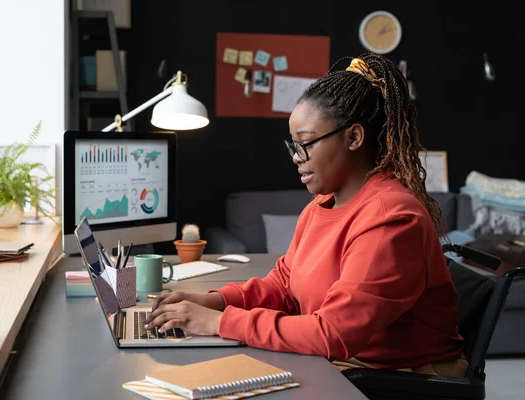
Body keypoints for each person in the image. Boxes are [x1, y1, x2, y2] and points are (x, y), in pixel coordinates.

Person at [145, 53, 467, 375]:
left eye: (306, 143)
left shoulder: (391, 219)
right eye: (293, 146)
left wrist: (219, 322)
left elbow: (333, 333)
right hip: (340, 362)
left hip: (395, 379)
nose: (297, 158)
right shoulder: (322, 204)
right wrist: (216, 301)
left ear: (353, 138)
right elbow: (285, 285)